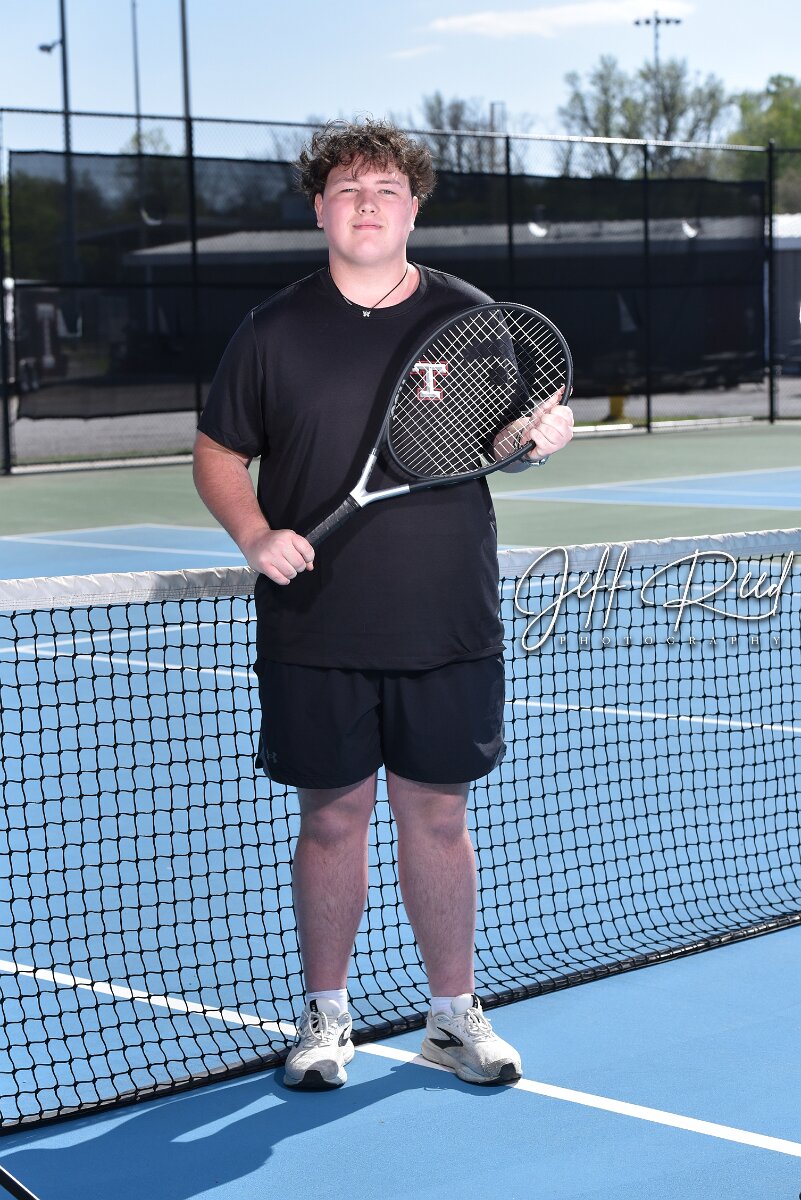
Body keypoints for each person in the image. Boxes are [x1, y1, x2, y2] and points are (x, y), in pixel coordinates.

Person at [193, 119, 574, 1090]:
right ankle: (326, 1018)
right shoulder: (272, 329)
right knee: (332, 820)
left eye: (386, 189)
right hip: (314, 625)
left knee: (437, 817)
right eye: (348, 189)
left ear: (413, 208)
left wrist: (538, 437)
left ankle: (452, 1017)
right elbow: (219, 452)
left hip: (446, 619)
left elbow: (502, 439)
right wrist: (253, 534)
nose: (367, 204)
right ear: (319, 209)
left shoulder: (471, 318)